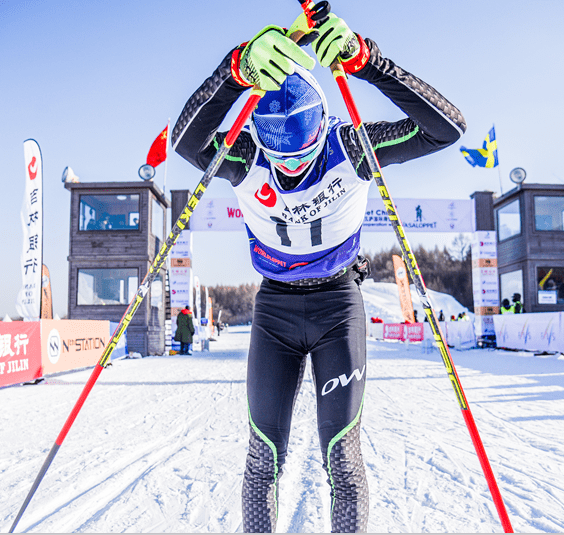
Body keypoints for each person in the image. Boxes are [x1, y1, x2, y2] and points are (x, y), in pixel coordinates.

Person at [172, 11, 465, 533]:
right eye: (280, 157)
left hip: (337, 307)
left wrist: (368, 61)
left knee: (343, 460)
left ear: (322, 128)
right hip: (276, 311)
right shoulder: (244, 153)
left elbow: (446, 128)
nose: (290, 168)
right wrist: (235, 69)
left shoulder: (349, 147)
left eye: (301, 155)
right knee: (263, 456)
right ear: (262, 136)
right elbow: (186, 141)